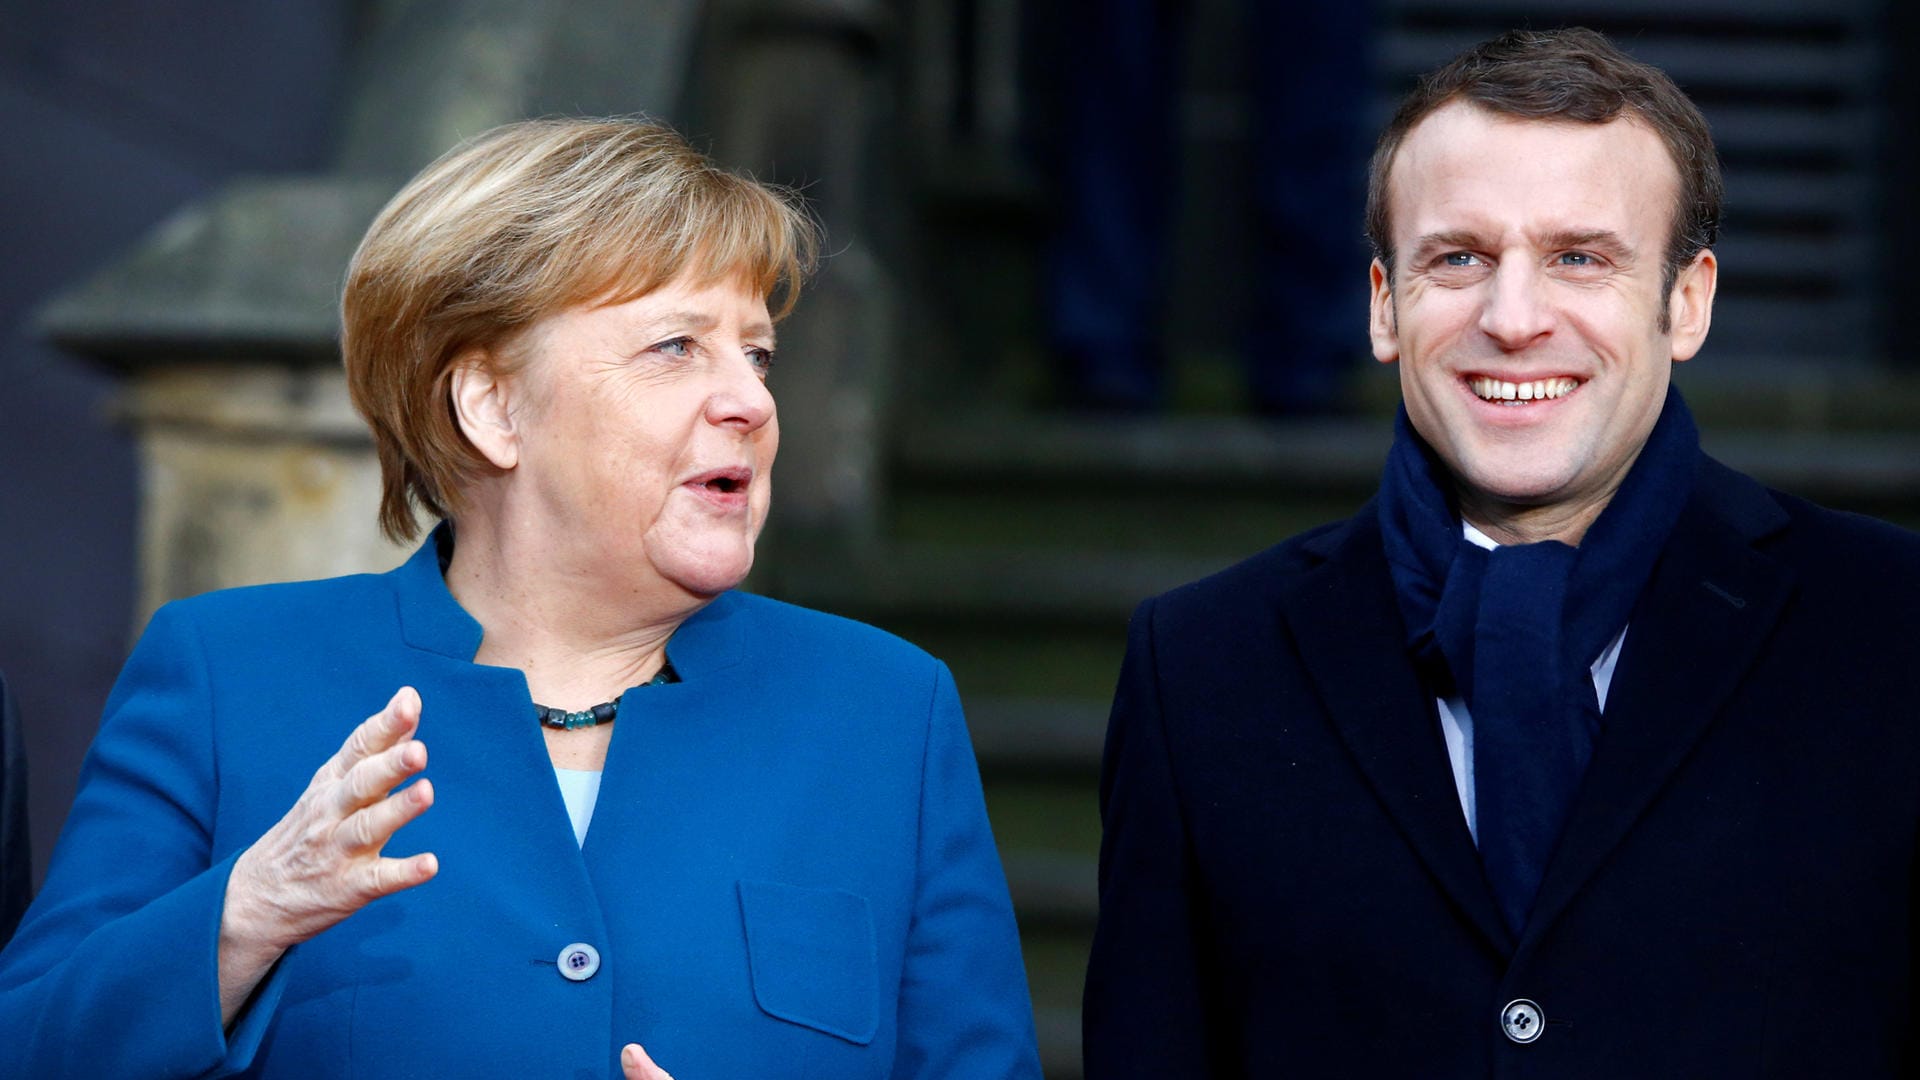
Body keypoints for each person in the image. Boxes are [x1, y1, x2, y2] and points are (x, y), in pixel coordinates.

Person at [0, 118, 1041, 1079]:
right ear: (492, 406)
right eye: (678, 346)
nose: (753, 401)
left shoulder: (884, 714)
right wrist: (244, 917)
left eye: (757, 354)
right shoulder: (228, 678)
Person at [1083, 27, 1920, 1077]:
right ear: (1385, 307)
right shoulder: (1201, 666)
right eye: (1458, 258)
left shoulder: (1891, 626)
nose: (1512, 318)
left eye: (1580, 257)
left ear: (1688, 301)